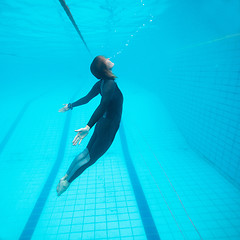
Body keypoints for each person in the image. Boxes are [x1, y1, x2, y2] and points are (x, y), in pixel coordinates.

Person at [56, 56, 123, 196]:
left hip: (102, 124)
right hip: (108, 127)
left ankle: (66, 176)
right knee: (91, 158)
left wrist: (70, 106)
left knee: (86, 153)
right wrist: (88, 126)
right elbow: (103, 105)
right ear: (104, 68)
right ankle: (67, 183)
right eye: (105, 59)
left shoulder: (102, 83)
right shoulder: (109, 83)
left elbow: (87, 99)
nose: (109, 58)